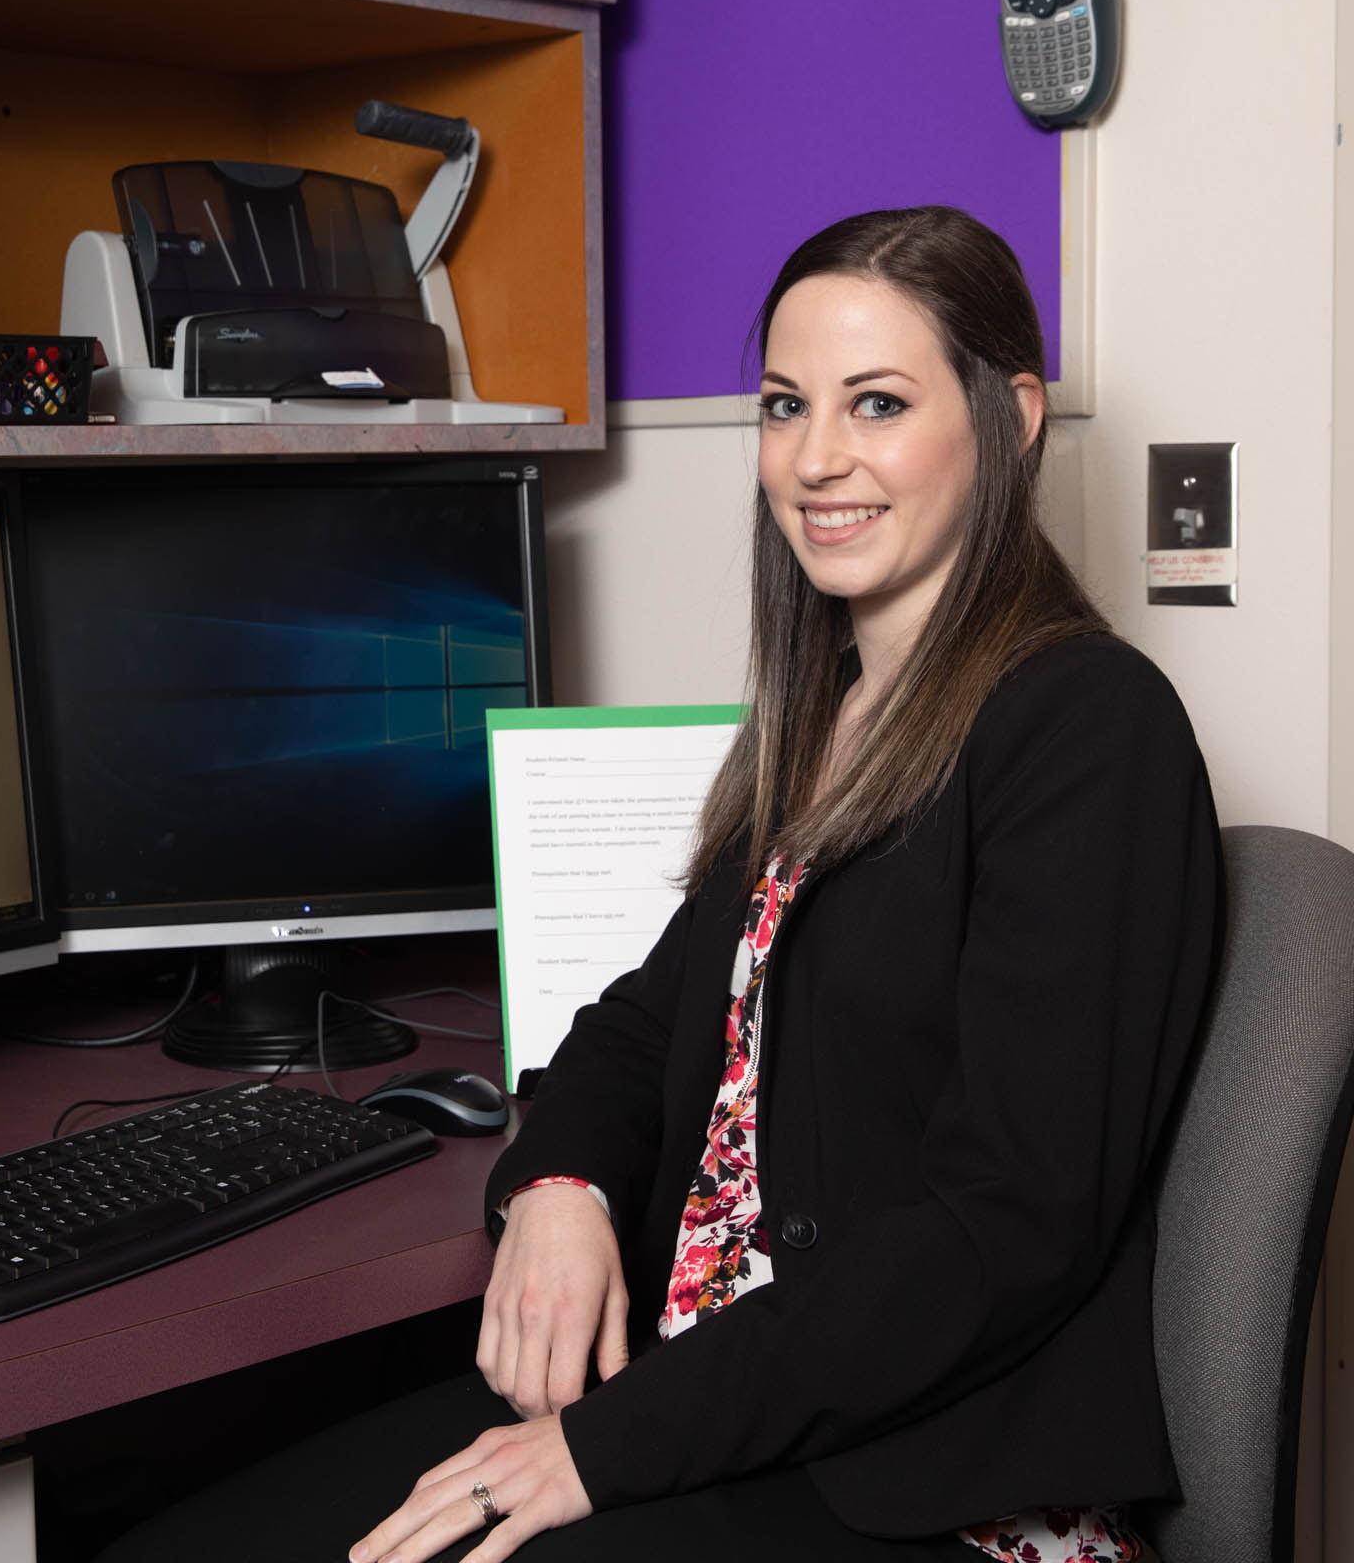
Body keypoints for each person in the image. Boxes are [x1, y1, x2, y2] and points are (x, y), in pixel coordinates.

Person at [94, 205, 1223, 1563]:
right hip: (734, 1405)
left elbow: (1003, 1230)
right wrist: (560, 1182)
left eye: (878, 404)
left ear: (1012, 416)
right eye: (784, 405)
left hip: (927, 1487)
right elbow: (643, 1025)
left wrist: (597, 1451)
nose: (817, 460)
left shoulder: (1088, 726)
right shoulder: (831, 719)